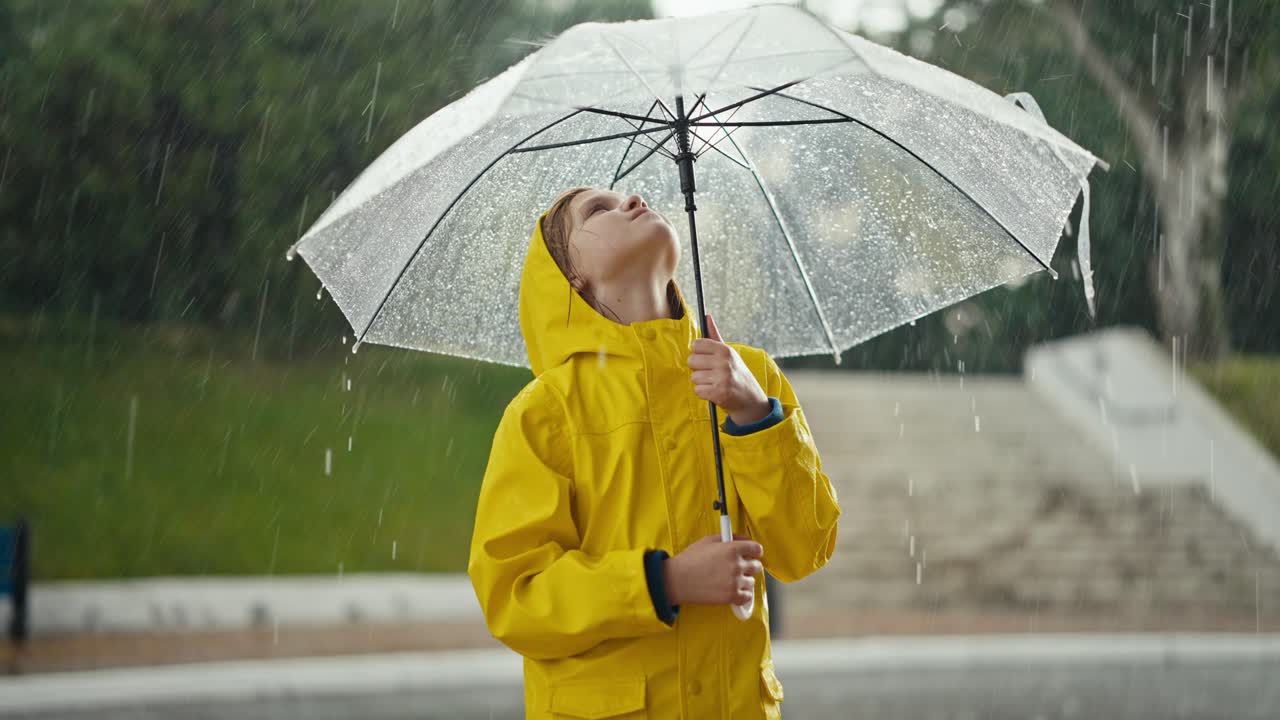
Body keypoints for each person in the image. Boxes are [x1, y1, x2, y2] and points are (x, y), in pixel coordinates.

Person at [467, 185, 841, 719]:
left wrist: (755, 414)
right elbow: (516, 597)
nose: (634, 200)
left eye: (626, 198)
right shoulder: (547, 412)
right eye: (598, 209)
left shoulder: (750, 376)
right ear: (570, 275)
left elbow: (805, 549)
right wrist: (664, 581)